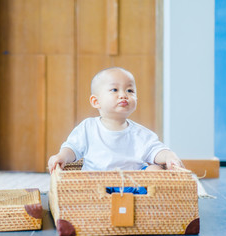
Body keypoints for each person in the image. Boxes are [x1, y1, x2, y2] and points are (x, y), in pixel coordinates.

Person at [48, 67, 184, 175]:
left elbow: (156, 150)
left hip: (134, 183)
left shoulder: (140, 133)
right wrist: (61, 157)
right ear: (96, 101)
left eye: (130, 90)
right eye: (114, 90)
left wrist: (169, 156)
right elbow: (72, 148)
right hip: (96, 182)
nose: (124, 95)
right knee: (79, 184)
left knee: (155, 170)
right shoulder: (88, 127)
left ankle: (147, 203)